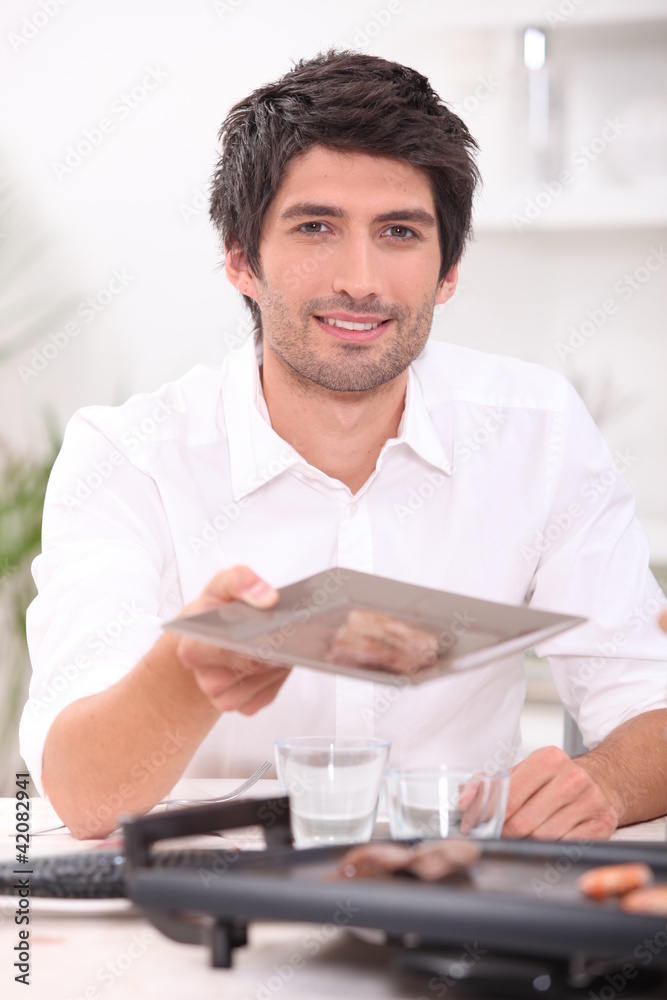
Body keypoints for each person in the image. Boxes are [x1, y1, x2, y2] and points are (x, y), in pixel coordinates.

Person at [20, 50, 667, 840]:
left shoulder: (537, 429)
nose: (360, 279)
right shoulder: (126, 457)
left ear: (448, 270)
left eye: (399, 231)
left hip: (456, 900)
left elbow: (645, 706)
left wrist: (600, 784)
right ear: (239, 260)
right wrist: (187, 674)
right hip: (208, 911)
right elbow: (82, 793)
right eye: (315, 227)